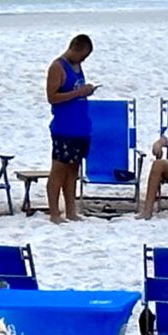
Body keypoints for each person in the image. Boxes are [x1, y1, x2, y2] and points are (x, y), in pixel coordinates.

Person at [44, 35, 97, 223]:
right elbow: (52, 96)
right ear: (74, 48)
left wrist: (86, 91)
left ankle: (71, 210)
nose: (83, 60)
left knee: (73, 170)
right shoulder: (57, 67)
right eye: (82, 55)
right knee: (59, 169)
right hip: (64, 127)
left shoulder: (77, 67)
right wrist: (78, 93)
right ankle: (54, 213)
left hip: (81, 126)